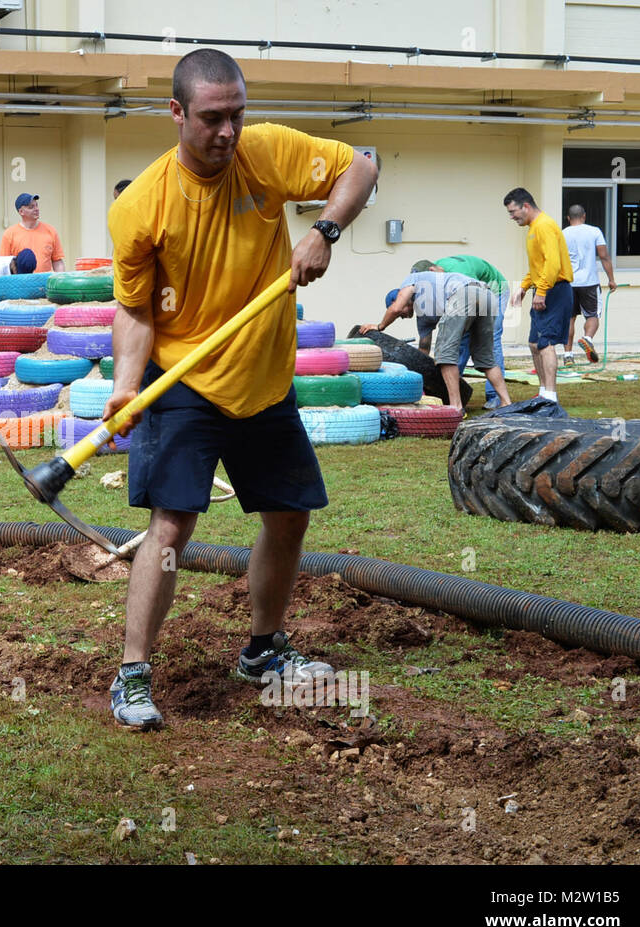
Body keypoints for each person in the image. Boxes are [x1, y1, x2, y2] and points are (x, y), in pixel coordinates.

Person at [101, 48, 378, 730]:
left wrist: (324, 230)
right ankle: (133, 673)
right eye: (211, 118)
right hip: (185, 378)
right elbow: (136, 309)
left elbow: (360, 166)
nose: (227, 132)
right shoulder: (142, 206)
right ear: (176, 113)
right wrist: (127, 387)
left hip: (262, 373)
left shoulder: (267, 153)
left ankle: (262, 649)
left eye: (236, 114)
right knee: (171, 525)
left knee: (288, 513)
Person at [359, 271, 511, 414]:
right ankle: (507, 404)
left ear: (400, 298)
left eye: (401, 313)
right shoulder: (424, 318)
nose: (402, 316)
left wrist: (379, 326)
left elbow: (395, 308)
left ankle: (455, 408)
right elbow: (422, 353)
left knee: (444, 355)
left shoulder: (411, 281)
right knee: (486, 358)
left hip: (463, 294)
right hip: (487, 296)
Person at [410, 255, 510, 408]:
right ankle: (452, 390)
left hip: (495, 290)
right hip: (476, 296)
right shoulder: (440, 279)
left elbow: (473, 295)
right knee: (458, 340)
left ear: (432, 271)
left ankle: (495, 397)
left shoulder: (459, 273)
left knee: (490, 342)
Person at [505, 188, 573, 404]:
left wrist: (541, 291)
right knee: (534, 343)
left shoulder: (544, 226)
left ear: (526, 206)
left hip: (555, 290)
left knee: (546, 342)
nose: (512, 216)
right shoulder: (533, 228)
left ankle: (551, 397)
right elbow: (539, 266)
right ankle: (543, 392)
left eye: (513, 211)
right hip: (544, 288)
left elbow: (552, 264)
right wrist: (524, 287)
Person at [562, 205, 617, 365]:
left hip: (568, 283)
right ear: (584, 216)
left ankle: (568, 356)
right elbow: (604, 256)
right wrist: (611, 279)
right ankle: (587, 339)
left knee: (569, 319)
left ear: (568, 218)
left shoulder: (562, 234)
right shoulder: (594, 231)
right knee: (592, 315)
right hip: (589, 282)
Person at [0, 193, 66, 272]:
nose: (36, 209)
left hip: (44, 282)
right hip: (21, 282)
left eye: (36, 205)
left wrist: (60, 280)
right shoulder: (10, 234)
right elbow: (3, 265)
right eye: (31, 207)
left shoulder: (50, 231)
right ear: (21, 212)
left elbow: (57, 261)